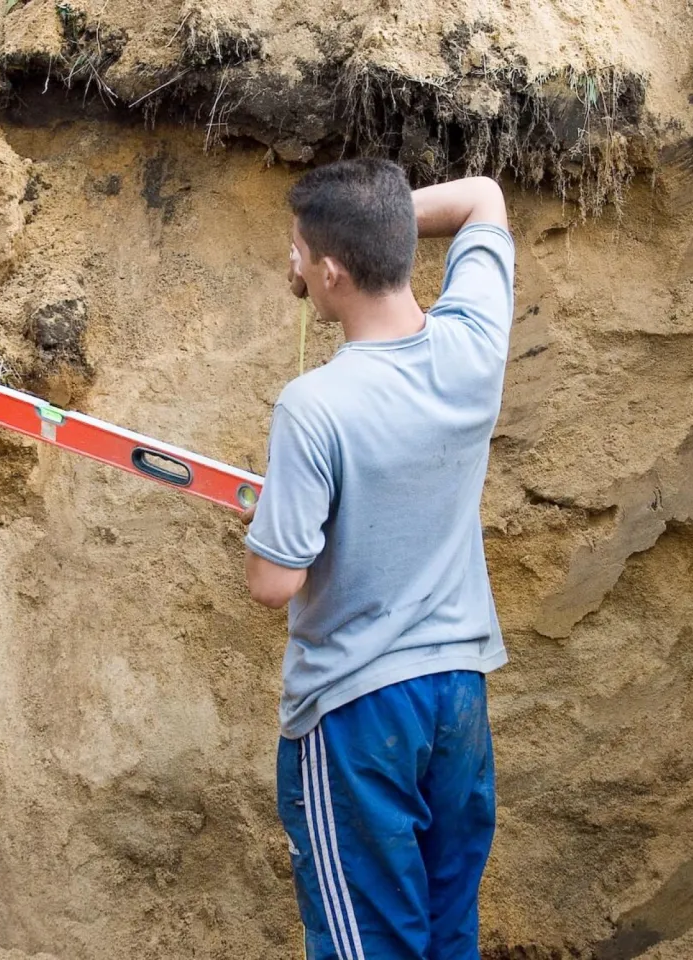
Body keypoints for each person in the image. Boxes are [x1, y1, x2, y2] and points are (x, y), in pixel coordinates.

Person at [241, 160, 514, 960]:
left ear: (330, 272)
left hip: (358, 713)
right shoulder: (474, 350)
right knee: (445, 927)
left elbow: (272, 582)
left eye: (300, 252)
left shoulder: (315, 406)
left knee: (371, 942)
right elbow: (482, 199)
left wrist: (274, 517)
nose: (293, 264)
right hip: (457, 698)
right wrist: (380, 221)